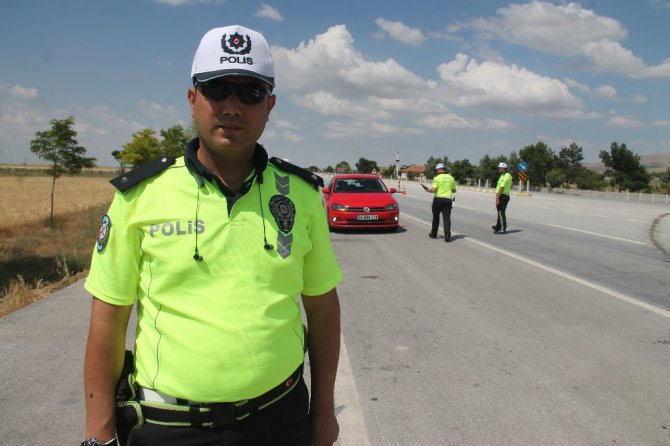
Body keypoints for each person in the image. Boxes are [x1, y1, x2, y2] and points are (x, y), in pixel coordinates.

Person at [82, 25, 342, 446]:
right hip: (168, 426)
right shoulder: (140, 195)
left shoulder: (301, 195)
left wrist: (324, 413)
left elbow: (324, 309)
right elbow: (107, 322)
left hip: (279, 421)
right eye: (217, 89)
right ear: (192, 99)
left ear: (270, 105)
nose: (232, 106)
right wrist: (99, 434)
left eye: (250, 93)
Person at [423, 163, 456, 242]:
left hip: (438, 199)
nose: (436, 171)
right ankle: (447, 236)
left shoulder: (437, 178)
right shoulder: (451, 178)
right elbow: (454, 190)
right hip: (448, 200)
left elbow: (434, 190)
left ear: (439, 169)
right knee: (447, 218)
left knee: (436, 217)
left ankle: (434, 233)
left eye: (436, 170)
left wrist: (428, 190)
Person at [492, 162, 513, 233]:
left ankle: (503, 228)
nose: (498, 169)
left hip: (502, 196)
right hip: (503, 195)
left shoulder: (505, 176)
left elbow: (501, 187)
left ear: (503, 169)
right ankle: (498, 226)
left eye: (499, 168)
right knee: (500, 212)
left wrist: (498, 198)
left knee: (501, 212)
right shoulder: (507, 175)